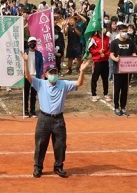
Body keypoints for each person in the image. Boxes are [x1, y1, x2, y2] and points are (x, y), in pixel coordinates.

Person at [22, 50, 90, 178]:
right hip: (44, 119)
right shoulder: (40, 83)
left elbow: (79, 83)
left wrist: (82, 71)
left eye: (55, 72)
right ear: (46, 74)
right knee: (40, 144)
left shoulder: (63, 84)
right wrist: (25, 62)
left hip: (58, 119)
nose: (54, 74)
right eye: (51, 72)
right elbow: (28, 77)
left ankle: (58, 166)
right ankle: (38, 167)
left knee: (60, 144)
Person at [109, 23, 137, 116]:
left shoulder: (130, 42)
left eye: (126, 31)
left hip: (127, 70)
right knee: (117, 89)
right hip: (117, 69)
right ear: (119, 31)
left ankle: (123, 107)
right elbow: (111, 54)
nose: (125, 33)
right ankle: (116, 107)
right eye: (123, 31)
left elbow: (134, 53)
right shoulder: (114, 42)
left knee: (125, 89)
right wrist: (115, 59)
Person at [23, 37, 43, 118]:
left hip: (35, 76)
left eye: (34, 42)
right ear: (28, 43)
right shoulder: (25, 53)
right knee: (26, 94)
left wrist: (40, 75)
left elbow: (41, 66)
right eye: (31, 42)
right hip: (26, 76)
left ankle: (33, 110)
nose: (33, 44)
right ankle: (25, 110)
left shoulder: (39, 54)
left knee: (33, 95)